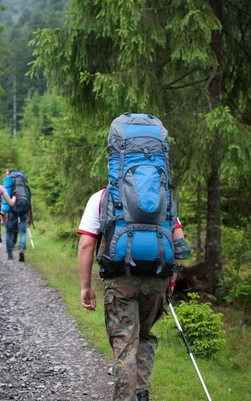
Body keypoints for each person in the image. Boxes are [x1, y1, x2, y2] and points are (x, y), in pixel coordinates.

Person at [77, 113, 190, 401]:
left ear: (115, 156)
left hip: (120, 280)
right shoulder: (164, 196)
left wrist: (85, 286)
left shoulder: (103, 197)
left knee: (124, 344)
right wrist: (172, 278)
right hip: (157, 278)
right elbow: (179, 241)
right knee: (146, 338)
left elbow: (87, 245)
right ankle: (142, 394)